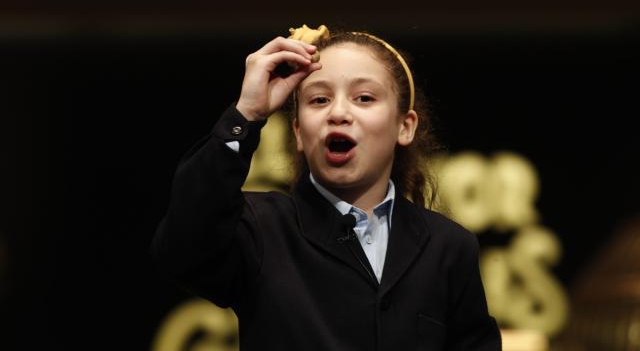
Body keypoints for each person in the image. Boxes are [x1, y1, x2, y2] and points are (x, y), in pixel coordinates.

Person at [151, 26, 502, 350]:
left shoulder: (448, 247)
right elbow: (183, 249)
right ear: (299, 134)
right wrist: (247, 115)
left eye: (364, 98)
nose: (338, 113)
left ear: (404, 127)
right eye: (319, 100)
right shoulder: (261, 229)